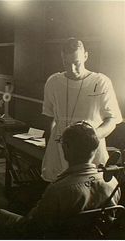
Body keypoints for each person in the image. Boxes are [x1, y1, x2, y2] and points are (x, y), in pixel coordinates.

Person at [0, 121, 121, 239]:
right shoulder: (112, 182)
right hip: (92, 236)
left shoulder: (60, 189)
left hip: (55, 237)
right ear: (95, 148)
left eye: (61, 142)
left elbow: (34, 226)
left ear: (66, 147)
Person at [42, 37, 122, 182]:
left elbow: (112, 119)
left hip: (91, 152)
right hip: (60, 149)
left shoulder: (100, 82)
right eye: (67, 63)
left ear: (85, 56)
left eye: (76, 63)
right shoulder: (53, 82)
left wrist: (90, 138)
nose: (72, 69)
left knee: (90, 194)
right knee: (60, 193)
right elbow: (49, 117)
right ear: (62, 58)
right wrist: (51, 143)